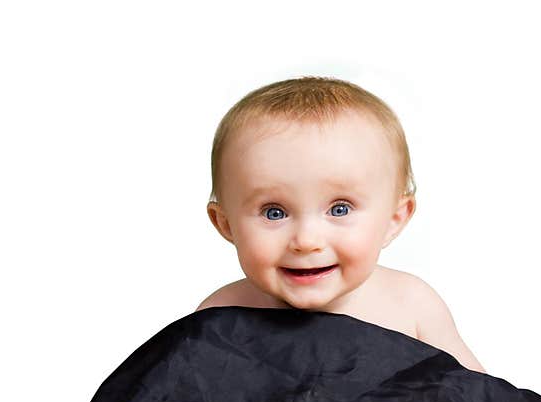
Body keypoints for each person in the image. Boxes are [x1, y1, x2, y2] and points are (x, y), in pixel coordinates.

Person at [197, 76, 486, 373]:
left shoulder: (412, 306)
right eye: (274, 212)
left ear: (393, 220)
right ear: (226, 224)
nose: (307, 240)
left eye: (339, 209)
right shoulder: (220, 317)